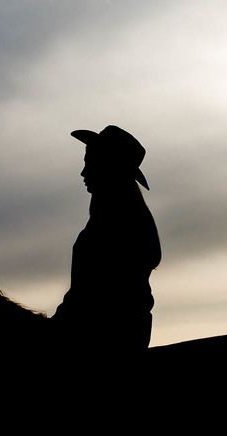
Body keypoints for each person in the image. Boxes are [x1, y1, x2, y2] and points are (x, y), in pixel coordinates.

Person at [52, 125, 161, 354]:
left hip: (104, 338)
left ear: (109, 167)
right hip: (121, 332)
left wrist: (56, 325)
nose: (83, 172)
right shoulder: (120, 219)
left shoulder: (116, 225)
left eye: (90, 163)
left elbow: (92, 297)